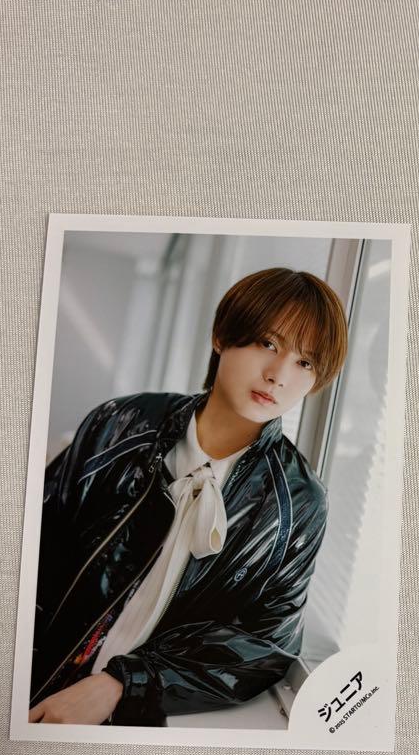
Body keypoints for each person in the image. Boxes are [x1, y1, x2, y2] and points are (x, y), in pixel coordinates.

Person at [29, 267, 349, 726]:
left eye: (306, 363)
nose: (278, 375)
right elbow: (33, 549)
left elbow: (265, 648)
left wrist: (123, 683)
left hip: (130, 722)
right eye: (268, 343)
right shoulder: (120, 425)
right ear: (222, 336)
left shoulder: (298, 505)